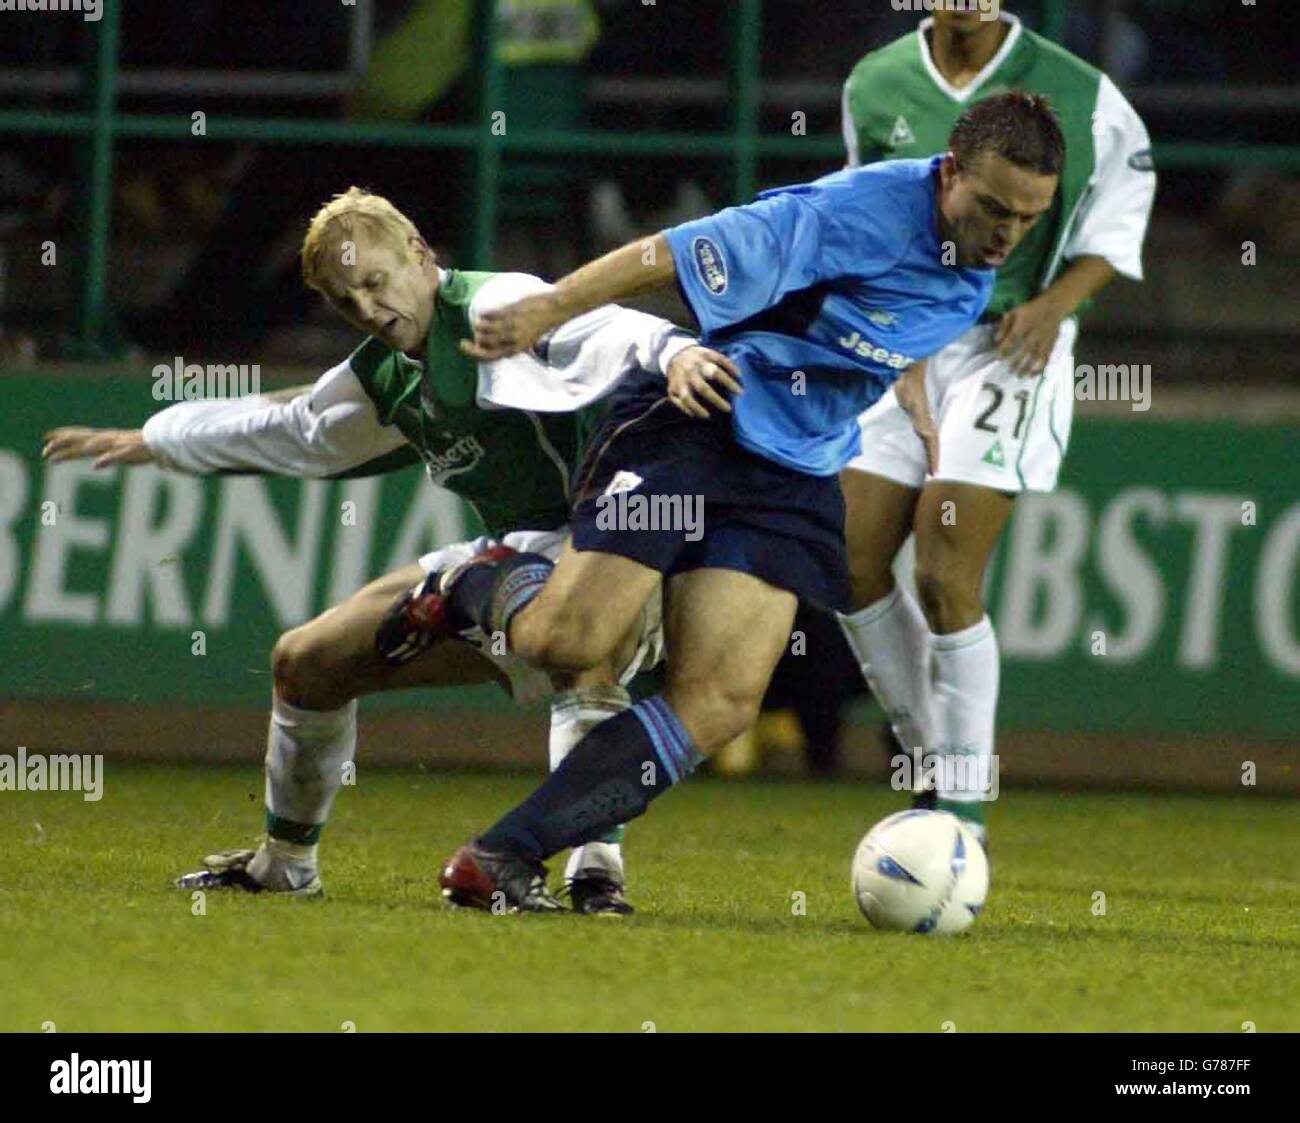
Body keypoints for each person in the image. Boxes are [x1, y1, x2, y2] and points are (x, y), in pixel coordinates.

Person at [408, 92, 1064, 911]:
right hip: (696, 420)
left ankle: (500, 855)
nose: (1007, 232)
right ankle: (467, 582)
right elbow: (671, 250)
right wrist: (551, 304)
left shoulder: (971, 269)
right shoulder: (849, 213)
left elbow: (883, 321)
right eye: (994, 207)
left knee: (719, 703)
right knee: (569, 640)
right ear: (949, 173)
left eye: (1029, 218)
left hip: (790, 476)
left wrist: (911, 391)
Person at [41, 187, 732, 915]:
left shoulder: (497, 305)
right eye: (347, 302)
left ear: (421, 256)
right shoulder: (386, 373)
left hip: (623, 555)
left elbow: (604, 327)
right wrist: (155, 440)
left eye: (374, 282)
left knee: (575, 644)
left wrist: (677, 351)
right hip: (513, 562)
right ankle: (285, 863)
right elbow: (297, 425)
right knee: (305, 661)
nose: (368, 309)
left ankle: (597, 872)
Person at [837, 7, 1155, 844]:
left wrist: (1055, 306)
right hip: (905, 338)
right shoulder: (874, 84)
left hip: (1009, 345)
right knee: (850, 558)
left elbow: (1116, 223)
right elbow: (873, 218)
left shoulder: (1086, 98)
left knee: (945, 570)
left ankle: (962, 813)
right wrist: (892, 342)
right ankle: (935, 765)